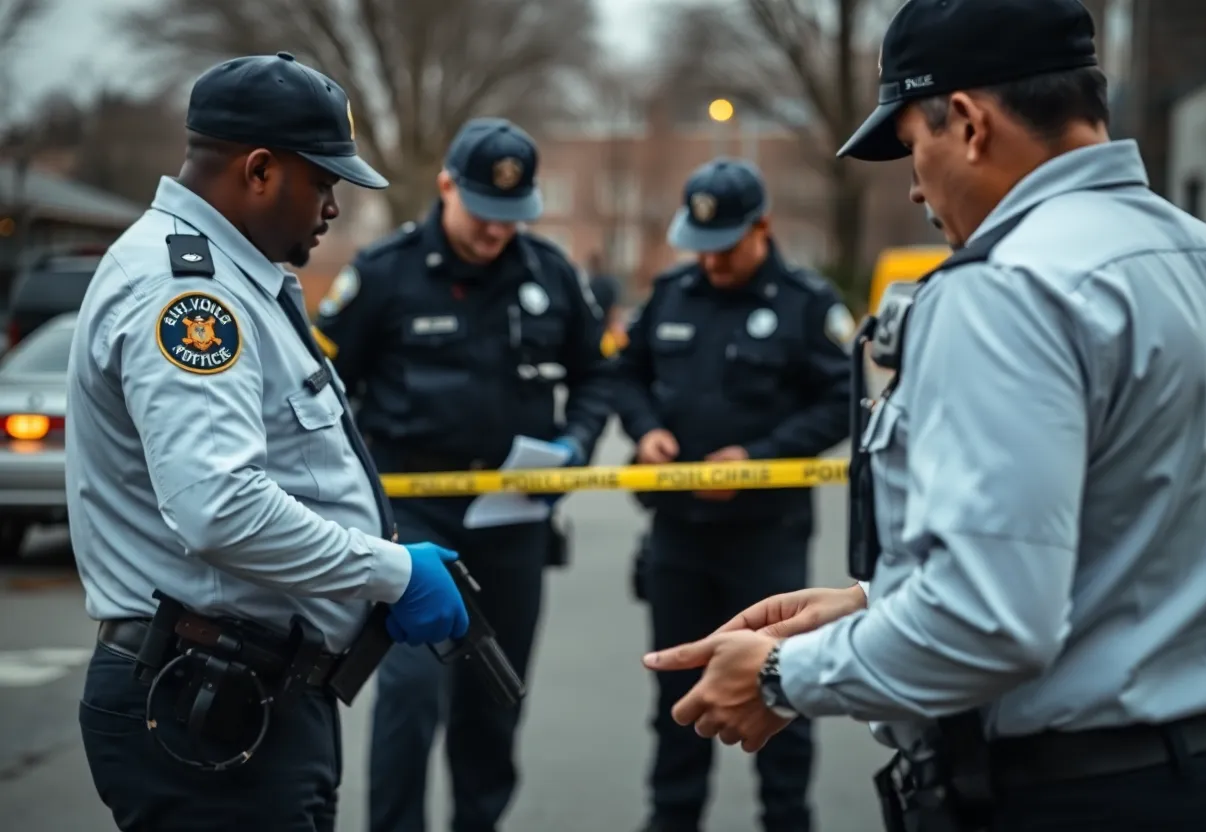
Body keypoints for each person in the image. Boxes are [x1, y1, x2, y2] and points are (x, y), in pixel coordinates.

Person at [640, 1, 1206, 831]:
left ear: (972, 124)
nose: (913, 184)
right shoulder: (1192, 254)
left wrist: (778, 676)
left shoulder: (1005, 290)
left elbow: (991, 622)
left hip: (1064, 791)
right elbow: (1124, 541)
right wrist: (878, 604)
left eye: (913, 144)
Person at [65, 52, 470, 831]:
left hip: (241, 693)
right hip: (203, 697)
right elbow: (218, 507)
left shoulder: (228, 277)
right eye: (322, 184)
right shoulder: (190, 296)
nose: (331, 209)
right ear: (258, 170)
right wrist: (390, 572)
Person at [312, 116, 614, 832]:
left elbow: (597, 375)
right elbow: (322, 392)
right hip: (413, 519)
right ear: (446, 185)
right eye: (482, 212)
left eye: (512, 216)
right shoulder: (384, 275)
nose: (495, 231)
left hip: (514, 520)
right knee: (412, 698)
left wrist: (575, 441)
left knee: (495, 701)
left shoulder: (551, 273)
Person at [615, 157, 853, 832]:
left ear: (762, 228)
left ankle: (787, 820)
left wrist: (758, 458)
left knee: (780, 689)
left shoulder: (806, 306)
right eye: (702, 247)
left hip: (764, 535)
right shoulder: (670, 294)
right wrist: (646, 430)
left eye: (725, 249)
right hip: (678, 535)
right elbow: (624, 373)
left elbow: (841, 401)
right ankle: (672, 820)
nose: (712, 262)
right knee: (676, 693)